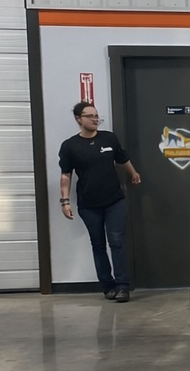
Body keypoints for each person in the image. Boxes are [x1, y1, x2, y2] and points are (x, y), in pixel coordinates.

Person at [58, 101, 141, 302]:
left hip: (114, 200)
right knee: (98, 245)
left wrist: (133, 173)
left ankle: (123, 286)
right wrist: (65, 201)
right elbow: (66, 175)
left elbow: (122, 158)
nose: (95, 119)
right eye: (90, 116)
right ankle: (107, 285)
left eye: (96, 116)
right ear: (79, 119)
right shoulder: (70, 146)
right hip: (88, 204)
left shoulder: (109, 138)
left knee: (116, 241)